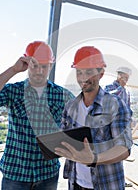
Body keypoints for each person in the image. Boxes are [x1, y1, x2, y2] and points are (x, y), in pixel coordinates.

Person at [0, 41, 75, 190]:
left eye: (44, 66)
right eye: (35, 65)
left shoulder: (63, 95)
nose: (39, 71)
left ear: (50, 66)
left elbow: (77, 123)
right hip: (16, 173)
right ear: (26, 64)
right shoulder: (14, 91)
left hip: (47, 174)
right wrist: (13, 70)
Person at [54, 46, 133, 190]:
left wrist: (94, 159)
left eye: (89, 72)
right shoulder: (71, 107)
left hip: (106, 184)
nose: (83, 77)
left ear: (101, 73)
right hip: (76, 183)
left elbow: (124, 148)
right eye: (79, 72)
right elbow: (65, 139)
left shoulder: (115, 105)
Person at [104, 66, 133, 187]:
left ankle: (120, 179)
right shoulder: (108, 88)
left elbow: (128, 108)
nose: (126, 80)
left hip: (123, 129)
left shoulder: (127, 91)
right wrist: (119, 88)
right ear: (118, 75)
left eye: (127, 78)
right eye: (124, 77)